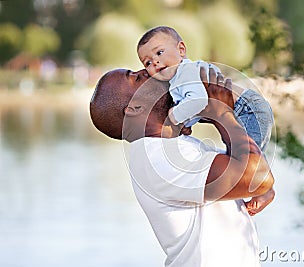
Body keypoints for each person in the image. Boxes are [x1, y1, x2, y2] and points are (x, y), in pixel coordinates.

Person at [90, 67, 275, 267]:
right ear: (134, 108)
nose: (147, 70)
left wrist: (212, 111)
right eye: (135, 77)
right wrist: (221, 112)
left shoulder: (167, 148)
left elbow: (249, 173)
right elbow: (258, 177)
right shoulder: (158, 159)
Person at [136, 26, 275, 214]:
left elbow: (199, 101)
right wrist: (186, 123)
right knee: (241, 153)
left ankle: (265, 190)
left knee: (245, 159)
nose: (156, 62)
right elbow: (201, 104)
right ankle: (259, 188)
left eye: (159, 52)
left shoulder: (185, 72)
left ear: (181, 50)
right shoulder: (179, 78)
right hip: (243, 108)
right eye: (148, 63)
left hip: (248, 109)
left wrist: (175, 117)